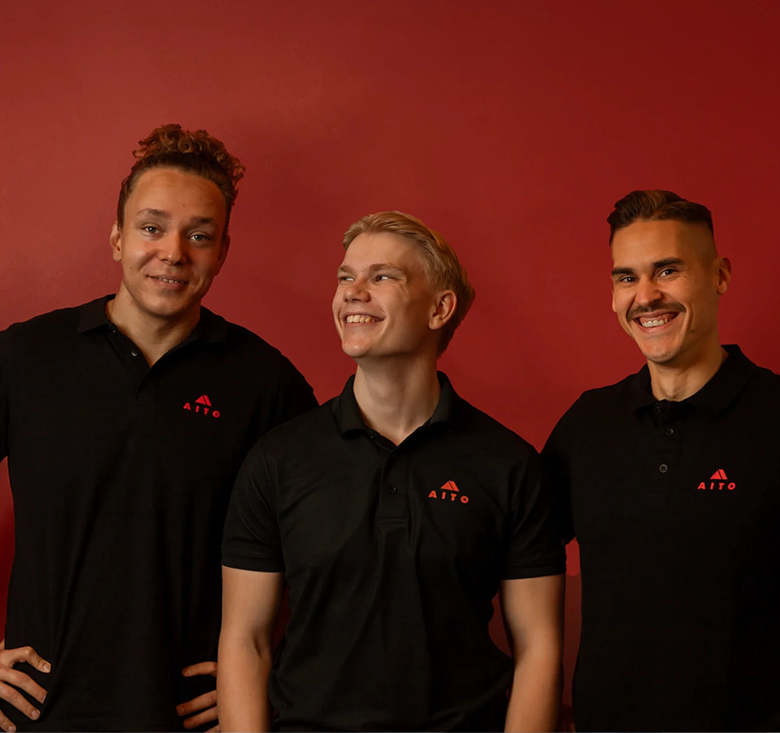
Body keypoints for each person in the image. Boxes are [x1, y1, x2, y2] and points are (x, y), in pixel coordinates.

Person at [0, 124, 316, 732]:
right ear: (117, 237)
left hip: (189, 722)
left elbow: (336, 553)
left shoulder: (266, 383)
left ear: (222, 251)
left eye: (199, 235)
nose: (173, 252)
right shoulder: (26, 357)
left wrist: (272, 676)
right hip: (39, 716)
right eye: (151, 228)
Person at [218, 211, 565, 732]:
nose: (353, 293)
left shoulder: (509, 465)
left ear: (439, 309)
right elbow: (245, 642)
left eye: (382, 276)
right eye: (345, 277)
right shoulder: (277, 460)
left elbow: (539, 648)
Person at [543, 189, 780, 731]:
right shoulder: (589, 422)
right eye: (626, 277)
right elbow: (514, 551)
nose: (646, 296)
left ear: (719, 276)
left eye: (668, 271)